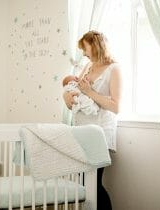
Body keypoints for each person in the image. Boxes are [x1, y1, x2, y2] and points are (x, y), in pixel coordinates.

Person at [63, 30, 122, 210]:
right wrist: (67, 97)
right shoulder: (88, 66)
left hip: (100, 132)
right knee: (84, 183)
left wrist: (90, 92)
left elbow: (115, 106)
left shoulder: (114, 69)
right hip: (81, 130)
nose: (83, 53)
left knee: (93, 184)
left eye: (85, 48)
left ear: (95, 46)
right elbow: (76, 91)